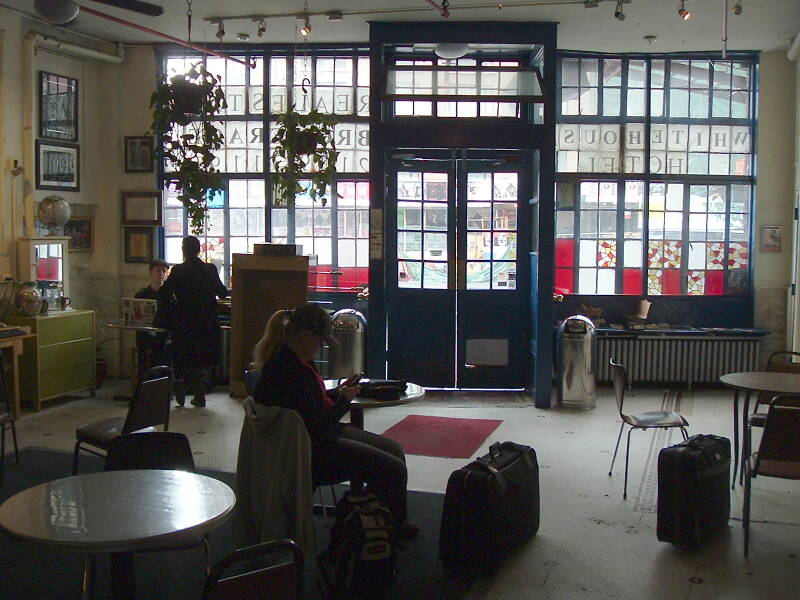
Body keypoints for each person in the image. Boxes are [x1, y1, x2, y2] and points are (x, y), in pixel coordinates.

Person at [251, 302, 418, 538]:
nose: (321, 347)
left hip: (304, 442)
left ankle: (383, 521)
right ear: (305, 335)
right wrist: (342, 402)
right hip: (310, 452)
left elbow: (308, 405)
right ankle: (388, 528)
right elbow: (318, 427)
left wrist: (337, 393)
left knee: (394, 451)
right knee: (393, 466)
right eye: (320, 341)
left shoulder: (288, 361)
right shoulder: (290, 371)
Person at [158, 236, 228, 407]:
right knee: (200, 358)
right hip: (206, 321)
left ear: (183, 250)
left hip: (184, 321)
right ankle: (199, 393)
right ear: (199, 250)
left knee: (182, 355)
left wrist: (175, 303)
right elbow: (223, 292)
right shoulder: (209, 269)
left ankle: (180, 387)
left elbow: (164, 293)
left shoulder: (178, 270)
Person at [133, 259, 170, 382]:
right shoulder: (141, 294)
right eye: (158, 271)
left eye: (164, 271)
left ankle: (162, 385)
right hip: (145, 335)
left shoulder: (169, 295)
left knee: (163, 353)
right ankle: (143, 386)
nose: (161, 274)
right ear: (151, 272)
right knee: (144, 355)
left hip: (162, 334)